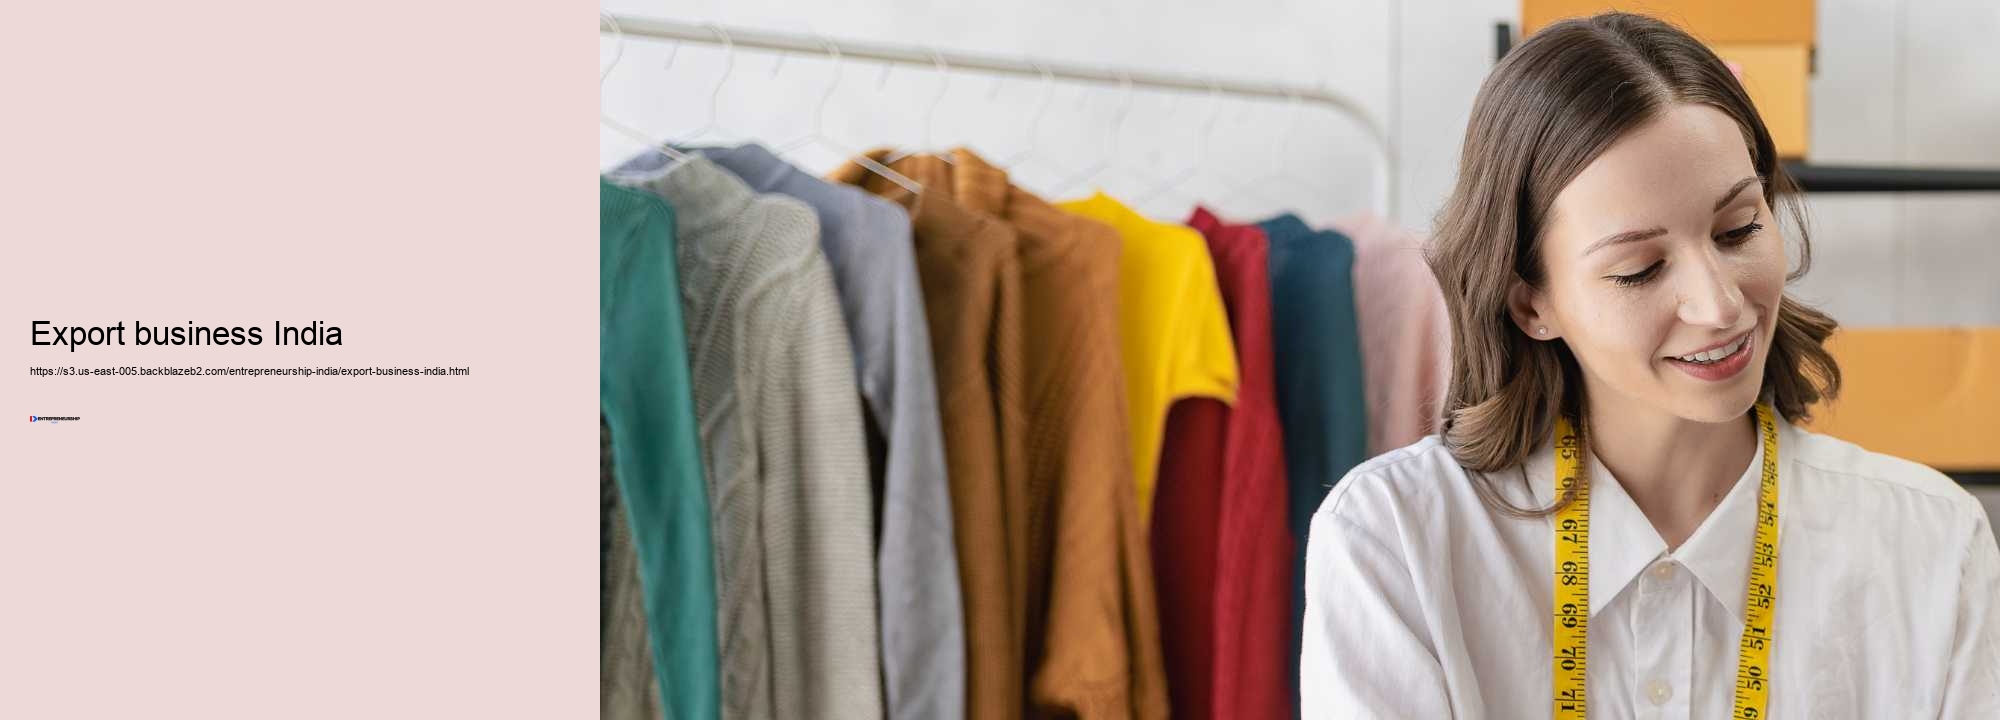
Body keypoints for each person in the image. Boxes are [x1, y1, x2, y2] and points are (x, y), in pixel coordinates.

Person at [1300, 11, 2000, 718]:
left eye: (1739, 230)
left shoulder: (1935, 545)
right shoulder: (1396, 539)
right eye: (1639, 268)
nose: (1720, 305)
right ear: (1531, 303)